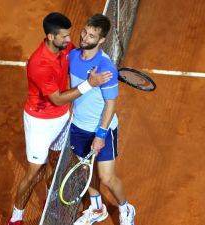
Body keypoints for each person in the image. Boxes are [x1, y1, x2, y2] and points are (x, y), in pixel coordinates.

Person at [6, 12, 112, 225]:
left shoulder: (64, 48)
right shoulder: (39, 64)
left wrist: (104, 63)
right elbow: (57, 99)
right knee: (35, 172)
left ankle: (50, 197)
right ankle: (16, 218)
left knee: (56, 161)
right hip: (40, 123)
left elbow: (84, 55)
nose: (69, 40)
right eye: (64, 37)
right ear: (51, 37)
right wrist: (89, 84)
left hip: (63, 119)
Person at [69, 14, 136, 225]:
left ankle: (126, 207)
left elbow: (111, 104)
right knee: (84, 171)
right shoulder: (72, 56)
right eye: (84, 32)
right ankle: (97, 208)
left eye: (91, 36)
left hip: (102, 129)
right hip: (78, 126)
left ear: (101, 41)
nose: (84, 38)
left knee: (106, 177)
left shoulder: (106, 68)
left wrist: (100, 134)